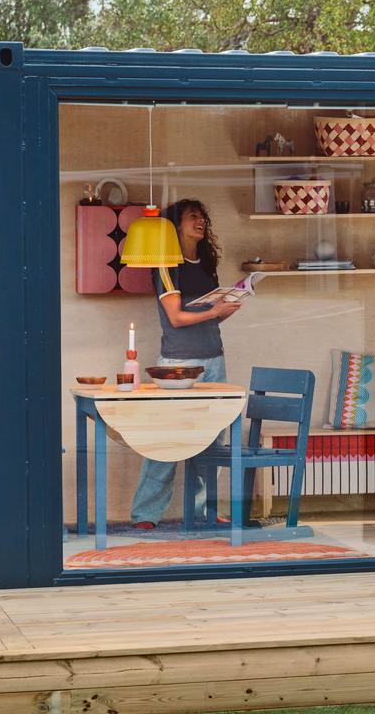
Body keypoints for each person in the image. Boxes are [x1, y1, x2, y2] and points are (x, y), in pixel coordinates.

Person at [129, 199, 243, 530]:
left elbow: (208, 318)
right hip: (179, 362)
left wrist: (225, 308)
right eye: (193, 216)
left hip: (214, 359)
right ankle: (145, 514)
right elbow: (177, 318)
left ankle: (205, 511)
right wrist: (213, 312)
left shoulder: (206, 265)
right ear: (175, 225)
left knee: (212, 440)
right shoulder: (166, 265)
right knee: (165, 438)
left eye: (203, 216)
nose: (201, 221)